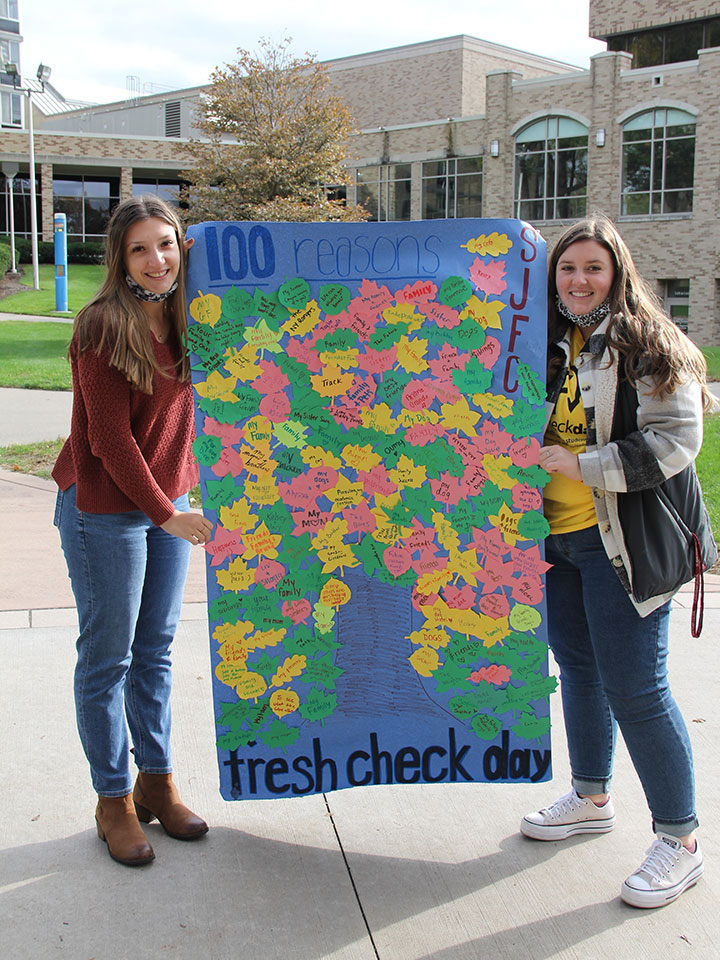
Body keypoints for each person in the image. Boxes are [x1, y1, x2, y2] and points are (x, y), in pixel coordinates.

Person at [520, 213, 714, 908]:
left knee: (638, 688)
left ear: (617, 274)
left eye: (592, 268)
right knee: (577, 668)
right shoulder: (540, 341)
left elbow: (674, 442)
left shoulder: (649, 345)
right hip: (556, 540)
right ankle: (592, 796)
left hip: (621, 544)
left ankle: (680, 840)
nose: (578, 280)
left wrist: (581, 463)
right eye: (567, 268)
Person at [53, 195, 213, 866]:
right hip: (102, 510)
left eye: (168, 244)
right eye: (141, 248)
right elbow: (113, 442)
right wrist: (168, 513)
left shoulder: (189, 320)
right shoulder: (102, 326)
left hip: (163, 505)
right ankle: (113, 799)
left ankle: (157, 781)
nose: (156, 260)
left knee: (155, 653)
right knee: (108, 658)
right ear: (120, 256)